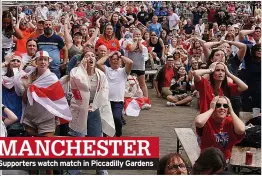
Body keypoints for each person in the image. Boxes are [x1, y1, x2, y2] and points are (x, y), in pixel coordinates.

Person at [195, 96, 245, 160]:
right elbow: (198, 122)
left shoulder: (230, 121)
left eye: (225, 106)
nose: (222, 108)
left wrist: (231, 111)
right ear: (213, 106)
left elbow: (241, 130)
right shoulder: (207, 121)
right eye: (218, 105)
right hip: (207, 160)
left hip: (224, 160)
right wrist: (211, 109)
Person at [96, 51, 133, 137]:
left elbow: (130, 62)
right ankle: (105, 137)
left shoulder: (123, 71)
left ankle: (118, 133)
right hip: (106, 100)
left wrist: (121, 56)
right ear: (110, 61)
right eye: (113, 59)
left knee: (116, 118)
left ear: (120, 61)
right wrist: (109, 55)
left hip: (118, 101)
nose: (115, 61)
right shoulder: (107, 69)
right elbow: (98, 63)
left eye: (117, 59)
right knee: (105, 120)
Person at [124, 29, 149, 97]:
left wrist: (139, 42)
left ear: (141, 35)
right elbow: (131, 49)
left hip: (140, 66)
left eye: (139, 34)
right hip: (131, 66)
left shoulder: (144, 42)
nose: (137, 36)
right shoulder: (128, 41)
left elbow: (141, 50)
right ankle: (130, 98)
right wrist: (135, 41)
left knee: (142, 83)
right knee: (130, 83)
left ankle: (146, 99)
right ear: (133, 35)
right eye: (136, 34)